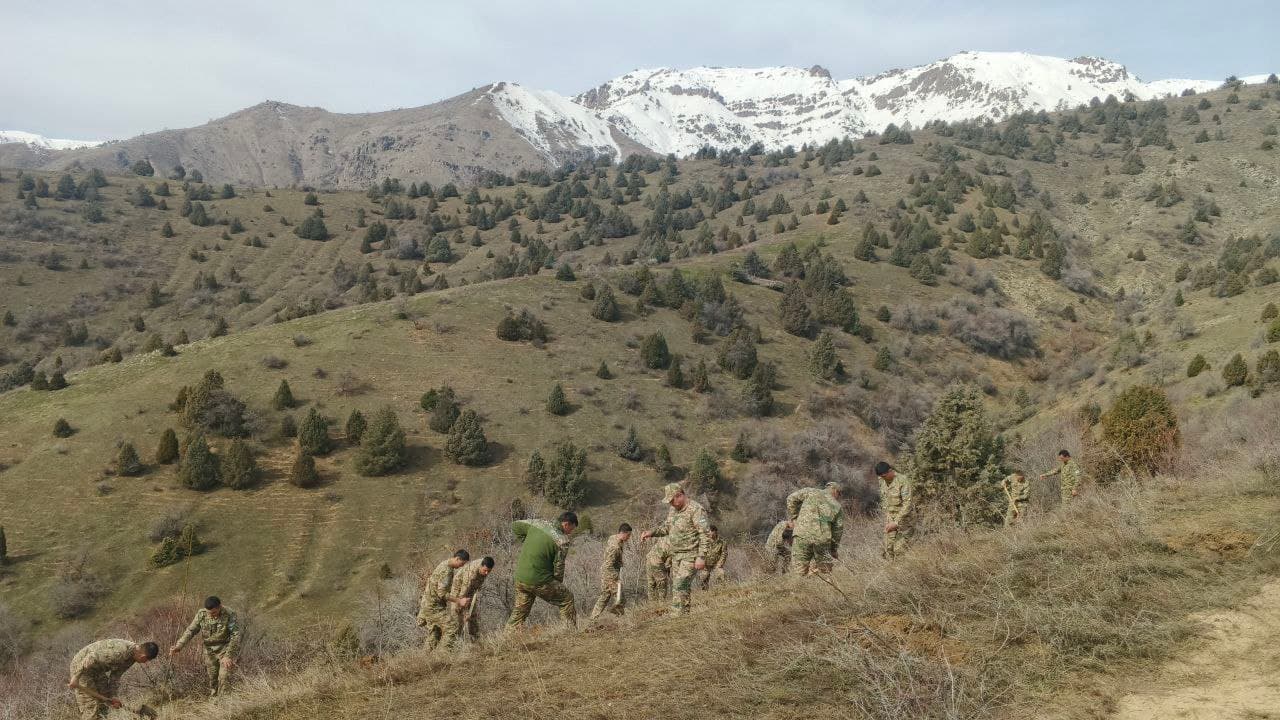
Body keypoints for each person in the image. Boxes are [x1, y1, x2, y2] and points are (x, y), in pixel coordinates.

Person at [641, 483, 712, 615]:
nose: (670, 504)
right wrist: (652, 532)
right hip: (676, 555)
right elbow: (667, 528)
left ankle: (676, 616)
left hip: (691, 555)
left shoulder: (696, 510)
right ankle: (683, 616)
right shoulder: (673, 510)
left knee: (680, 584)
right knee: (678, 588)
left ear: (679, 495)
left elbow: (705, 534)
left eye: (672, 500)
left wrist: (701, 557)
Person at [507, 512, 578, 629]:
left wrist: (527, 541)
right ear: (566, 524)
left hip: (520, 578)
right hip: (539, 580)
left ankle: (507, 640)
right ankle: (570, 633)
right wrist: (557, 583)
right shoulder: (562, 540)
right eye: (571, 528)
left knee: (519, 613)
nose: (570, 532)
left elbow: (515, 525)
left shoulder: (539, 523)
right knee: (567, 599)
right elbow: (558, 568)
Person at [170, 596, 241, 696]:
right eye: (209, 613)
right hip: (209, 651)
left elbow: (235, 635)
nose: (211, 616)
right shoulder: (202, 614)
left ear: (220, 606)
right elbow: (191, 631)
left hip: (225, 648)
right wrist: (179, 646)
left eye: (214, 613)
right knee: (213, 678)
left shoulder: (229, 614)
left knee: (224, 676)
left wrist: (228, 656)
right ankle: (214, 702)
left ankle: (224, 704)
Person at [68, 639, 158, 719]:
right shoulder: (120, 652)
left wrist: (113, 696)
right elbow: (91, 657)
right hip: (82, 667)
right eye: (146, 660)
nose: (145, 663)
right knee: (91, 706)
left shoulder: (132, 658)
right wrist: (76, 676)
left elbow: (115, 676)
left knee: (105, 700)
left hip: (97, 669)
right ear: (143, 657)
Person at [786, 482, 844, 575]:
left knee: (798, 571)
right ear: (835, 491)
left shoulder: (810, 491)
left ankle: (797, 587)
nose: (838, 497)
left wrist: (795, 517)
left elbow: (790, 499)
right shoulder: (837, 506)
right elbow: (838, 531)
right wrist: (833, 550)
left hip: (802, 536)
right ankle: (822, 587)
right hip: (822, 540)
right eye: (839, 494)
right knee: (825, 572)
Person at [417, 549, 469, 650]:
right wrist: (459, 601)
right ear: (457, 558)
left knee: (435, 632)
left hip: (428, 604)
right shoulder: (447, 571)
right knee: (452, 627)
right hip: (433, 607)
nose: (461, 566)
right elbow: (442, 594)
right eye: (462, 563)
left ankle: (425, 657)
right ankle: (443, 655)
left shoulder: (444, 563)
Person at [445, 556, 494, 647]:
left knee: (473, 617)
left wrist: (469, 612)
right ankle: (451, 646)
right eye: (485, 570)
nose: (486, 573)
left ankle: (476, 644)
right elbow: (462, 595)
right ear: (481, 566)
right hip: (458, 591)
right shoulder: (471, 574)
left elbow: (475, 587)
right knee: (457, 619)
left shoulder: (484, 567)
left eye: (489, 571)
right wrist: (465, 612)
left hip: (471, 591)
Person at [591, 523, 632, 619]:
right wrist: (616, 578)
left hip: (606, 571)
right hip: (609, 572)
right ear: (623, 533)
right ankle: (621, 619)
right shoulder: (615, 547)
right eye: (628, 535)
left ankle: (593, 618)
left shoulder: (613, 538)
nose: (629, 538)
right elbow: (608, 564)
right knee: (620, 596)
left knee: (605, 595)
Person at [876, 462, 914, 560]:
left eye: (884, 476)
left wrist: (896, 522)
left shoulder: (902, 481)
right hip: (890, 519)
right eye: (881, 477)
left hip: (905, 521)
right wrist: (889, 518)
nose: (883, 478)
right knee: (888, 548)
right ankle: (891, 571)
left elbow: (907, 504)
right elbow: (885, 499)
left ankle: (901, 572)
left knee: (900, 550)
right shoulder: (882, 480)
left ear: (890, 471)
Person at [698, 525, 728, 590]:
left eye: (711, 531)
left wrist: (719, 564)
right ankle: (705, 593)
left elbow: (724, 554)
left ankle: (722, 591)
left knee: (721, 574)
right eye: (708, 531)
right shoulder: (704, 542)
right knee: (703, 578)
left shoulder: (722, 542)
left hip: (716, 564)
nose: (710, 533)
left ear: (715, 532)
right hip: (706, 565)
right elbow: (700, 553)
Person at [644, 536, 672, 603]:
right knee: (662, 585)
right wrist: (668, 572)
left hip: (649, 559)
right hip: (657, 562)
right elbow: (668, 563)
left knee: (651, 584)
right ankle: (661, 605)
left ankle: (652, 605)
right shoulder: (674, 544)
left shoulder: (664, 538)